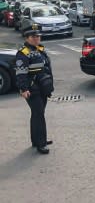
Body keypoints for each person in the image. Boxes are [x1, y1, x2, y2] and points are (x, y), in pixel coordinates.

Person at [16, 24, 54, 154]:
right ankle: (41, 144)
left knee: (37, 114)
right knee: (39, 115)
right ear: (27, 38)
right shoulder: (23, 53)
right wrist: (24, 88)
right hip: (32, 89)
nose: (37, 38)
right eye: (33, 36)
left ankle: (36, 140)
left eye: (38, 35)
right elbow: (21, 73)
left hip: (42, 88)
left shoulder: (39, 49)